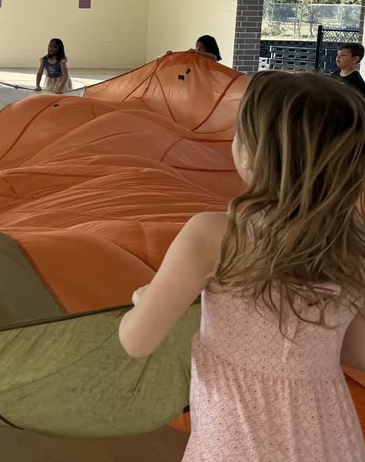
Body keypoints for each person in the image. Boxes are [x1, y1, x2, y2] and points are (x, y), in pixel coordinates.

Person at [118, 71, 365, 461]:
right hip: (329, 440)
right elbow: (356, 350)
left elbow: (137, 341)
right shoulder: (351, 245)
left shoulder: (214, 235)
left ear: (251, 153)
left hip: (237, 440)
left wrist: (144, 300)